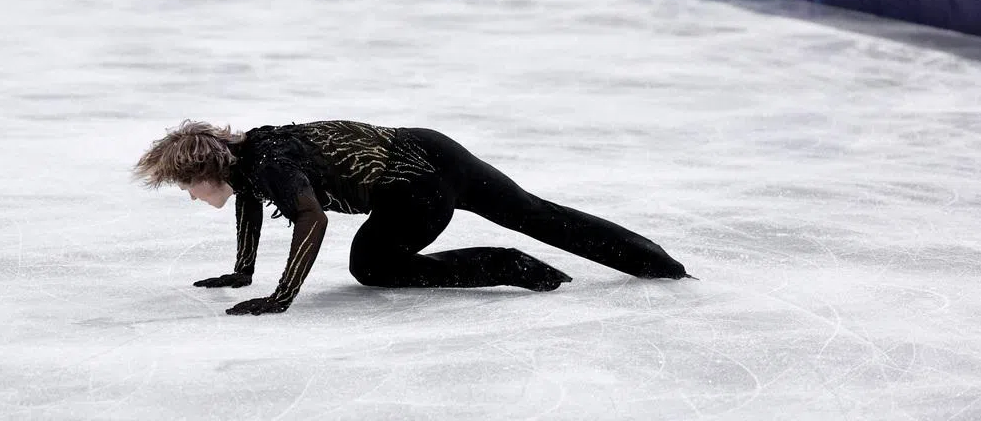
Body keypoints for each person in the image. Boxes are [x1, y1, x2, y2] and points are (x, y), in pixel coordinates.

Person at [134, 121, 691, 315]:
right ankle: (661, 266)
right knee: (539, 214)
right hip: (431, 147)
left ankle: (512, 266)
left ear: (208, 168)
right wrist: (243, 270)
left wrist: (280, 298)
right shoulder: (250, 157)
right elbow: (251, 200)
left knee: (372, 265)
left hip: (418, 185)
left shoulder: (272, 164)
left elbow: (312, 221)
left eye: (186, 184)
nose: (188, 194)